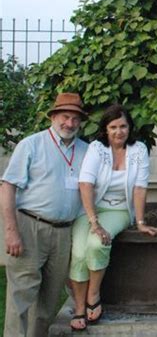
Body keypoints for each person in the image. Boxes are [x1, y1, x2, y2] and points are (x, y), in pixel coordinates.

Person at [0, 92, 89, 337]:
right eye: (65, 116)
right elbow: (7, 186)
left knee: (49, 303)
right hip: (30, 227)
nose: (69, 123)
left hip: (64, 232)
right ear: (53, 116)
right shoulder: (31, 144)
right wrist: (11, 232)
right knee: (21, 298)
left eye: (75, 119)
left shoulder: (86, 150)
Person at [69, 103, 157, 331]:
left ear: (129, 128)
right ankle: (79, 307)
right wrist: (94, 222)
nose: (119, 131)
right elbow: (85, 184)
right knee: (79, 252)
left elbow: (140, 188)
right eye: (113, 127)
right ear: (105, 130)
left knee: (97, 243)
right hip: (91, 210)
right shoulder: (97, 149)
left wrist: (140, 222)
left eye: (123, 126)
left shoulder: (139, 150)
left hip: (118, 210)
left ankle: (93, 294)